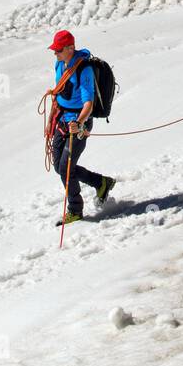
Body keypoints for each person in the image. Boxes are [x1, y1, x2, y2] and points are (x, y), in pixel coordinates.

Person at [46, 29, 115, 224]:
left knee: (66, 168)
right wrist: (51, 118)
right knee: (60, 167)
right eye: (55, 50)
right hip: (62, 120)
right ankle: (101, 182)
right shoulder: (60, 64)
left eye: (58, 50)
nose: (55, 53)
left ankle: (75, 210)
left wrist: (79, 122)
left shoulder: (84, 69)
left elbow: (88, 103)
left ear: (70, 48)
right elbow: (59, 93)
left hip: (78, 124)